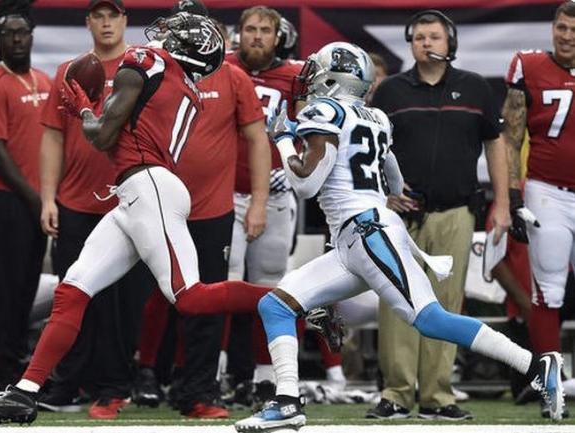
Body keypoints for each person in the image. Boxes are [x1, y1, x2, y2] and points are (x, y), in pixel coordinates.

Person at [234, 41, 564, 433]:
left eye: (317, 70)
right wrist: (386, 197)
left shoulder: (325, 111)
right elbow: (393, 173)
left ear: (334, 77)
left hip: (367, 231)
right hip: (354, 236)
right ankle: (286, 400)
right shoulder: (375, 116)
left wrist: (285, 139)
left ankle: (537, 366)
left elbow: (305, 185)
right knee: (277, 305)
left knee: (429, 319)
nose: (309, 79)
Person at [0, 12, 273, 427]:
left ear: (186, 48)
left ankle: (295, 299)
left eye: (176, 34)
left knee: (190, 297)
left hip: (149, 188)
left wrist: (84, 110)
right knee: (72, 288)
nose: (163, 35)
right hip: (135, 192)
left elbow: (103, 135)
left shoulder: (147, 62)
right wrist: (94, 112)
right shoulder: (187, 89)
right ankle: (25, 392)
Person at [367, 10, 511, 420]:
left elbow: (496, 145)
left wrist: (501, 203)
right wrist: (383, 196)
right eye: (419, 37)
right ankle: (395, 392)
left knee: (446, 305)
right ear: (410, 44)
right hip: (400, 217)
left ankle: (437, 395)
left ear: (451, 43)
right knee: (397, 300)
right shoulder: (391, 91)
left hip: (456, 210)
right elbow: (370, 149)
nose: (426, 43)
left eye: (434, 36)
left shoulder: (475, 88)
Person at [134, 1, 271, 418]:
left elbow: (257, 139)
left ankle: (197, 391)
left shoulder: (233, 76)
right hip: (159, 207)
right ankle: (142, 378)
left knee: (208, 301)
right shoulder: (154, 73)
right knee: (152, 298)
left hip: (212, 209)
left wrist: (259, 202)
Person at [37, 0, 154, 419]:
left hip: (128, 199)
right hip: (76, 200)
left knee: (122, 301)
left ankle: (114, 385)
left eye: (113, 15)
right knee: (73, 295)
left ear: (125, 21)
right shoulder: (70, 71)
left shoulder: (143, 67)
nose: (106, 23)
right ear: (88, 22)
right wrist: (48, 197)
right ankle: (70, 382)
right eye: (98, 16)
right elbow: (52, 136)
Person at [501, 1, 575, 418]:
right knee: (548, 291)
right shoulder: (529, 66)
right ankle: (551, 388)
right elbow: (510, 137)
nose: (566, 36)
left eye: (573, 30)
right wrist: (512, 194)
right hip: (548, 191)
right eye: (561, 27)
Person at [225, 6, 304, 396]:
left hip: (273, 196)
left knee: (270, 285)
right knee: (222, 285)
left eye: (264, 30)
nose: (256, 36)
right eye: (250, 29)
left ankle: (266, 375)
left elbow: (312, 129)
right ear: (239, 34)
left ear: (278, 36)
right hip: (222, 194)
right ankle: (218, 370)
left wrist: (292, 165)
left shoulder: (294, 76)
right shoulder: (218, 66)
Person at [0, 0, 50, 393]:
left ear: (32, 37)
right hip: (7, 202)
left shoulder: (44, 79)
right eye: (8, 34)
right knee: (2, 289)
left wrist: (49, 196)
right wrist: (35, 199)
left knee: (26, 285)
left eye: (22, 32)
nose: (17, 39)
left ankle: (18, 363)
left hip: (39, 202)